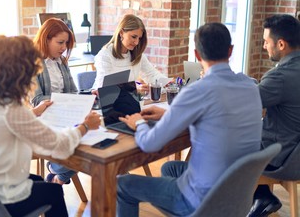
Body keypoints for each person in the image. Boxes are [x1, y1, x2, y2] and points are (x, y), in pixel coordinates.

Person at [117, 22, 263, 216]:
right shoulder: (251, 87)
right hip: (237, 196)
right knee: (171, 168)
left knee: (123, 184)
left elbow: (150, 144)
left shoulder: (197, 91)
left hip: (203, 201)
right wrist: (169, 115)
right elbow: (215, 116)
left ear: (197, 55)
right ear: (231, 51)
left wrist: (139, 123)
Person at [0, 35, 101, 217]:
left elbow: (4, 125)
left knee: (39, 181)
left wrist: (35, 112)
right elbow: (61, 146)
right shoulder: (12, 109)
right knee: (54, 192)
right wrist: (85, 126)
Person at [247, 14, 300, 217]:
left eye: (266, 42)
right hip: (295, 152)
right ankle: (261, 197)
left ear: (280, 44)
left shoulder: (280, 76)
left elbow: (245, 105)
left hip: (279, 156)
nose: (264, 46)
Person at [31, 17, 79, 185]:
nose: (64, 47)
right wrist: (65, 101)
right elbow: (36, 99)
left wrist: (81, 98)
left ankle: (57, 176)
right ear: (46, 39)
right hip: (44, 119)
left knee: (87, 143)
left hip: (65, 116)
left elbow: (73, 91)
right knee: (75, 145)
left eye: (66, 43)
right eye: (60, 42)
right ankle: (57, 171)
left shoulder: (62, 62)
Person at [91, 14, 168, 93]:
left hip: (127, 100)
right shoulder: (104, 56)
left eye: (139, 38)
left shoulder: (137, 54)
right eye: (134, 37)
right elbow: (105, 88)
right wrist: (134, 89)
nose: (137, 42)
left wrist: (167, 82)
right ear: (121, 33)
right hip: (103, 100)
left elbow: (151, 73)